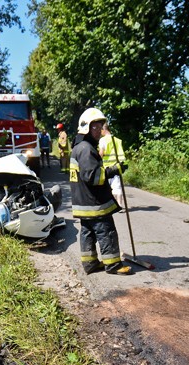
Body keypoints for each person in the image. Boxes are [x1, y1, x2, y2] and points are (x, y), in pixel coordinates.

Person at [70, 108, 132, 275]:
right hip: (94, 203)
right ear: (86, 128)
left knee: (87, 233)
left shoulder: (78, 147)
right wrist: (114, 170)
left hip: (82, 203)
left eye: (100, 126)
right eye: (95, 127)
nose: (99, 131)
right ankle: (113, 265)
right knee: (106, 231)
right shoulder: (86, 149)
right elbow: (93, 177)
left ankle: (90, 264)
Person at [98, 123, 126, 209]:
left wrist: (97, 160)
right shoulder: (117, 140)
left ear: (104, 130)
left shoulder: (103, 140)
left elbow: (101, 152)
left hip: (108, 167)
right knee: (117, 186)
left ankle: (113, 205)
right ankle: (120, 205)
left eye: (100, 130)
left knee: (109, 188)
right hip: (118, 166)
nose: (100, 132)